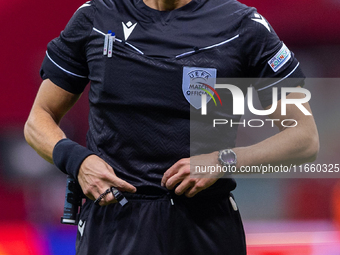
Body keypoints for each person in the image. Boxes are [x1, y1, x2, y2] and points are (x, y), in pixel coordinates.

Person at [24, 0, 319, 254]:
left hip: (204, 226)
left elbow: (304, 138)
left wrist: (223, 161)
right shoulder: (96, 17)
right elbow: (38, 120)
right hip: (113, 224)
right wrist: (78, 161)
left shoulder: (242, 26)